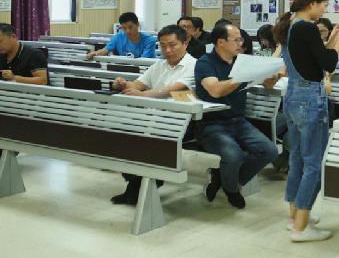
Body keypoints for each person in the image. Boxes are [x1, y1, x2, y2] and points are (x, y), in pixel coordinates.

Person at [273, 0, 339, 242]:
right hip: (310, 98)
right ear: (312, 3)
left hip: (294, 95)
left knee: (297, 158)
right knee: (315, 163)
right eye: (324, 5)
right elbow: (328, 63)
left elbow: (313, 57)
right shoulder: (307, 27)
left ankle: (295, 216)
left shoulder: (290, 24)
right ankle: (301, 227)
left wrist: (333, 37)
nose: (324, 10)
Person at [194, 22, 279, 209]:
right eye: (237, 40)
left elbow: (268, 85)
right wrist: (243, 76)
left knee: (269, 151)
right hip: (212, 124)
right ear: (221, 42)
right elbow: (216, 90)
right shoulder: (205, 63)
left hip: (239, 121)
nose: (242, 43)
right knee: (234, 155)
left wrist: (270, 77)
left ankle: (225, 180)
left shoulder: (242, 61)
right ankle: (232, 190)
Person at [108, 25, 196, 205]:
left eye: (172, 45)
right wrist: (122, 84)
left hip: (180, 121)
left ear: (185, 43)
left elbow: (171, 90)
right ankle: (138, 183)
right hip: (152, 117)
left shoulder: (194, 65)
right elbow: (138, 84)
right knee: (119, 134)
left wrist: (142, 95)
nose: (167, 50)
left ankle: (139, 185)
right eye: (163, 46)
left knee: (142, 140)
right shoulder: (159, 65)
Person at [86, 12, 156, 59]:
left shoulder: (149, 40)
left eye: (130, 27)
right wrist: (96, 53)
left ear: (137, 25)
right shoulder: (118, 37)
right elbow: (106, 50)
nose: (128, 31)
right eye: (124, 28)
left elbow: (144, 60)